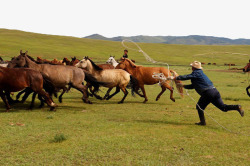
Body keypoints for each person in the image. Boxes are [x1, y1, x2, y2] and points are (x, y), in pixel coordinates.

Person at [173, 61, 244, 126]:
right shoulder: (198, 74)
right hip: (214, 92)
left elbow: (187, 77)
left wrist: (176, 77)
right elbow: (194, 86)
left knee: (199, 107)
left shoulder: (197, 73)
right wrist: (183, 86)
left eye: (192, 66)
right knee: (223, 108)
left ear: (193, 67)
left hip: (208, 93)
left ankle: (202, 122)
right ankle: (237, 107)